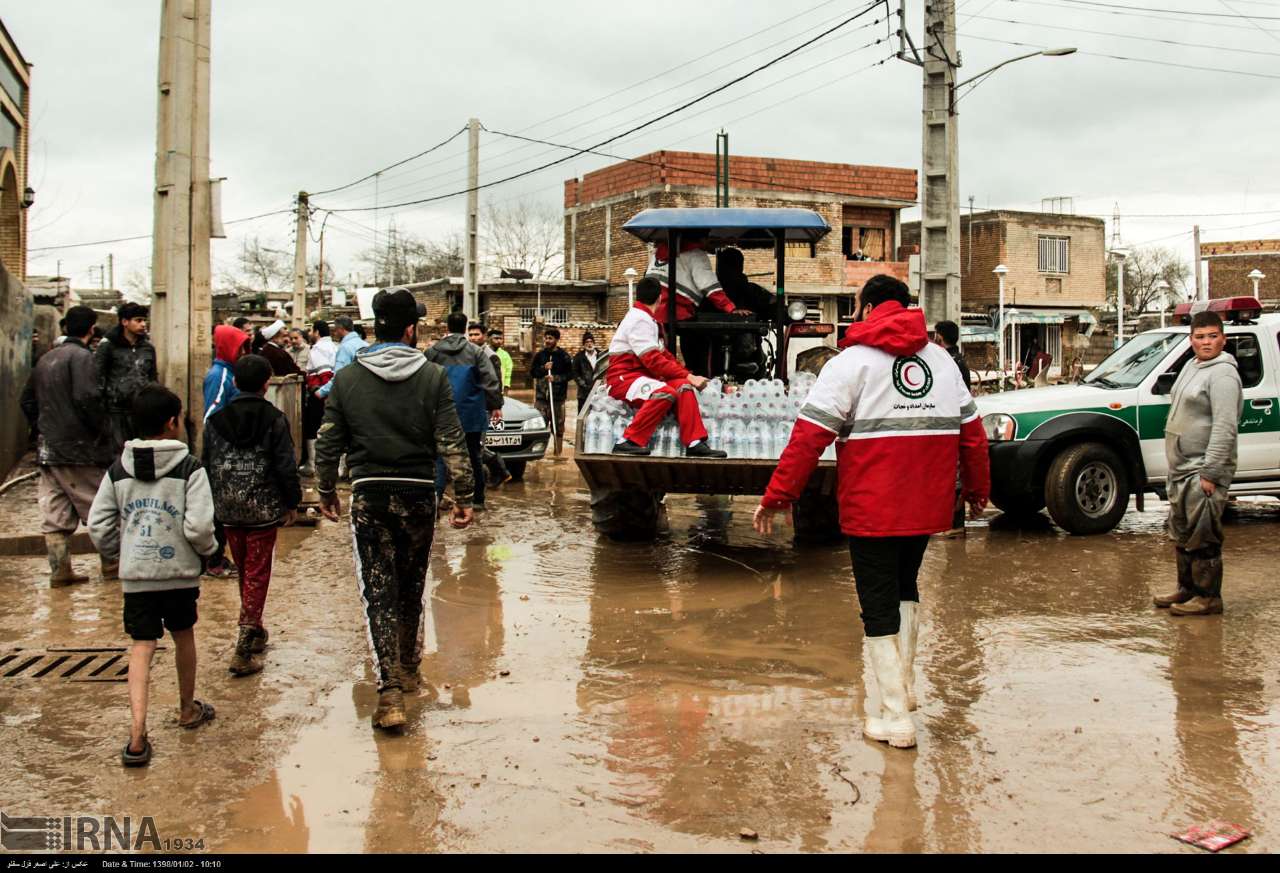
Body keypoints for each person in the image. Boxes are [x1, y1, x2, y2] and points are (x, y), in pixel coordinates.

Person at [752, 275, 990, 750]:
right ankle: (903, 688)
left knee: (876, 603)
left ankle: (895, 718)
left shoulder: (850, 363)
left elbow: (808, 438)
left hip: (873, 507)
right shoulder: (941, 360)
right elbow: (973, 434)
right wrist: (978, 491)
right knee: (905, 587)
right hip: (925, 505)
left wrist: (777, 496)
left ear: (868, 308)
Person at [314, 288, 475, 731]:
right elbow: (451, 440)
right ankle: (407, 669)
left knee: (378, 588)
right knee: (411, 583)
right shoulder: (433, 376)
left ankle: (389, 690)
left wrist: (326, 489)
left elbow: (328, 441)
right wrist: (464, 496)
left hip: (370, 493)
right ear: (410, 329)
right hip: (419, 493)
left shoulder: (347, 378)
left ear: (374, 325)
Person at [87, 384, 219, 767]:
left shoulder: (118, 469)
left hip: (137, 576)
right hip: (179, 575)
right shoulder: (190, 469)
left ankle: (137, 734)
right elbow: (198, 527)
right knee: (183, 637)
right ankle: (186, 710)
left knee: (142, 646)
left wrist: (119, 554)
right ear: (172, 422)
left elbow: (98, 525)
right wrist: (208, 553)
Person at [202, 354, 302, 675]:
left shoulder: (215, 421)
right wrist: (292, 502)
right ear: (265, 384)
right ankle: (244, 644)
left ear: (234, 382)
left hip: (228, 509)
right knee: (257, 571)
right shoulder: (274, 419)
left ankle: (255, 627)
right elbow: (286, 465)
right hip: (262, 509)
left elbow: (206, 465)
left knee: (246, 568)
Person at [19, 305, 115, 586]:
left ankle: (60, 571)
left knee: (55, 515)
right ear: (91, 329)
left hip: (49, 450)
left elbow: (26, 401)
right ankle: (111, 565)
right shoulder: (83, 357)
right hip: (80, 450)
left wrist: (43, 428)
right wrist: (101, 432)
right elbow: (88, 399)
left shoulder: (46, 359)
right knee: (100, 509)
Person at [1155, 311, 1242, 617]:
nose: (1206, 342)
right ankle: (1187, 589)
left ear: (1223, 338)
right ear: (1191, 340)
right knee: (1183, 531)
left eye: (1212, 336)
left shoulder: (1223, 375)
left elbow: (1225, 426)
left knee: (1203, 534)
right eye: (1200, 337)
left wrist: (1212, 472)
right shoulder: (1193, 366)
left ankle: (1208, 597)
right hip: (1182, 468)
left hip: (1201, 470)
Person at [606, 277, 727, 459]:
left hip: (641, 378)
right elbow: (653, 360)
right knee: (665, 392)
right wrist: (691, 377)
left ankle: (694, 442)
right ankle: (628, 441)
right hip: (624, 379)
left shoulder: (647, 320)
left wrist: (687, 377)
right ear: (660, 298)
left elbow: (665, 357)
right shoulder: (639, 319)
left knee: (683, 387)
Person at [426, 311, 503, 509]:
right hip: (471, 413)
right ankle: (477, 500)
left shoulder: (433, 352)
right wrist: (495, 406)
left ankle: (435, 498)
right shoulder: (475, 352)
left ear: (447, 327)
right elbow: (490, 380)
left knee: (441, 457)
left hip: (442, 413)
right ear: (465, 328)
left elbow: (424, 380)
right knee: (474, 455)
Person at [96, 302, 158, 454]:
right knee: (118, 454)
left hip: (141, 409)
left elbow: (152, 377)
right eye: (138, 320)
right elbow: (98, 378)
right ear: (125, 322)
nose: (143, 324)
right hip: (115, 411)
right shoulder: (108, 347)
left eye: (145, 320)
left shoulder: (147, 348)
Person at [467, 324, 511, 487]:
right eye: (470, 335)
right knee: (472, 444)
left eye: (476, 335)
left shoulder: (490, 356)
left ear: (484, 336)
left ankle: (498, 468)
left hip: (484, 406)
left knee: (477, 445)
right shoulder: (470, 352)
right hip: (471, 404)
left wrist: (495, 407)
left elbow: (495, 384)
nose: (473, 338)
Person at [300, 320, 337, 476]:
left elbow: (325, 374)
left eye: (311, 330)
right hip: (333, 395)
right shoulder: (335, 347)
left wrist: (319, 392)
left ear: (316, 332)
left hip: (320, 395)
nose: (309, 334)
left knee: (313, 429)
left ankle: (313, 464)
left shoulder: (318, 349)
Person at [531, 327, 573, 456]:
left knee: (558, 427)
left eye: (550, 338)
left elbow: (571, 374)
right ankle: (537, 453)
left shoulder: (564, 356)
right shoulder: (540, 355)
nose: (547, 341)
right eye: (546, 338)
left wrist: (556, 378)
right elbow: (533, 372)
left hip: (557, 398)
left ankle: (557, 453)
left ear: (557, 340)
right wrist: (544, 368)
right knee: (539, 425)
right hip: (542, 398)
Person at [203, 324, 248, 421]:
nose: (244, 352)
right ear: (230, 347)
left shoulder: (230, 373)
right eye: (240, 348)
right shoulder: (219, 376)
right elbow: (212, 418)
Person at [315, 316, 367, 400]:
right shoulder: (365, 344)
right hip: (366, 392)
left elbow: (339, 375)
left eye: (335, 330)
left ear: (341, 329)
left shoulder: (345, 348)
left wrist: (321, 392)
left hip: (351, 395)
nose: (335, 333)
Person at [933, 320, 971, 390]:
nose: (934, 338)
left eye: (935, 334)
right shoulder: (958, 359)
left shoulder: (945, 361)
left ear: (939, 337)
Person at [573, 332, 600, 413]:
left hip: (598, 392)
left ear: (594, 343)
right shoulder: (579, 357)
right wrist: (584, 385)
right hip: (583, 394)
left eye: (591, 342)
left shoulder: (600, 355)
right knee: (583, 415)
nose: (589, 344)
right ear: (584, 344)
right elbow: (575, 373)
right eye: (587, 342)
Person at [487, 328, 513, 393]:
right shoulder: (483, 352)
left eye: (500, 338)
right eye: (496, 338)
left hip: (499, 389)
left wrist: (506, 386)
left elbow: (508, 372)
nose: (499, 341)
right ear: (489, 339)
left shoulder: (505, 355)